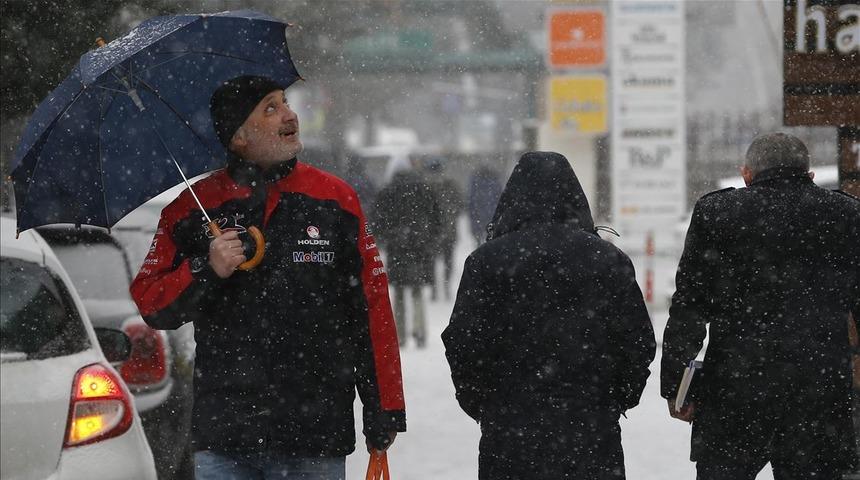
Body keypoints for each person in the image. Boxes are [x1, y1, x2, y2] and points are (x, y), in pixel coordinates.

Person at [130, 75, 406, 480]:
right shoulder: (192, 210)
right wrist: (207, 269)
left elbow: (370, 308)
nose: (289, 115)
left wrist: (384, 406)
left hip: (316, 436)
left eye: (285, 102)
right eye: (270, 108)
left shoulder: (335, 200)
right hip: (227, 439)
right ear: (239, 137)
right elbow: (150, 302)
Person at [442, 152, 656, 480]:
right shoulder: (607, 261)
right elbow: (637, 341)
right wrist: (615, 399)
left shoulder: (487, 262)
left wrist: (483, 403)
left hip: (510, 432)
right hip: (590, 430)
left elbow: (463, 342)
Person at [661, 132, 860, 479]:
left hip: (735, 390)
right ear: (810, 175)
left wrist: (676, 385)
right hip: (818, 391)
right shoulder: (845, 215)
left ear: (747, 174)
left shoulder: (717, 214)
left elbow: (689, 305)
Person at [373, 158, 442, 348]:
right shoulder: (424, 189)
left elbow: (377, 221)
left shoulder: (387, 191)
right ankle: (420, 331)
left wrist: (386, 238)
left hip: (397, 248)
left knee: (400, 292)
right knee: (418, 290)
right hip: (420, 247)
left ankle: (400, 334)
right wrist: (430, 239)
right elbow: (437, 217)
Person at [424, 156, 464, 301]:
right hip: (447, 230)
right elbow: (460, 206)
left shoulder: (426, 187)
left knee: (434, 262)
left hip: (433, 231)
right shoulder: (451, 185)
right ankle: (444, 288)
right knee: (446, 261)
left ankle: (436, 289)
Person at [467, 164, 503, 247]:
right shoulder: (494, 181)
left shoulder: (476, 182)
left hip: (480, 216)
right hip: (489, 215)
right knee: (491, 242)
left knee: (480, 242)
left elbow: (471, 201)